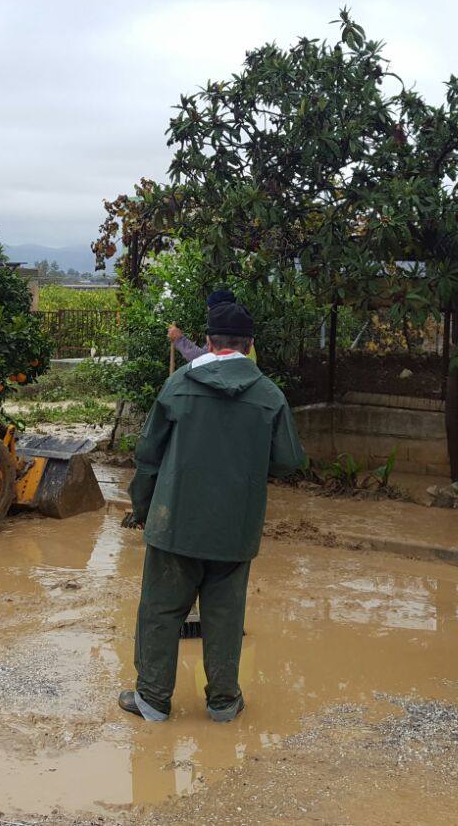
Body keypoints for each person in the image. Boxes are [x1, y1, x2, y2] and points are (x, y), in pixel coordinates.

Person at [120, 301, 305, 723]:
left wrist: (143, 508)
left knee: (161, 611)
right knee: (224, 615)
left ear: (207, 342)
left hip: (175, 524)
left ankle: (151, 700)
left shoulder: (179, 384)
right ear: (250, 345)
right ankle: (223, 703)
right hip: (234, 528)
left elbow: (148, 453)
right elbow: (290, 460)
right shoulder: (269, 395)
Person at [168, 289, 256, 362]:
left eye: (210, 311)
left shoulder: (222, 331)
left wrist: (179, 340)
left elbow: (202, 359)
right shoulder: (243, 327)